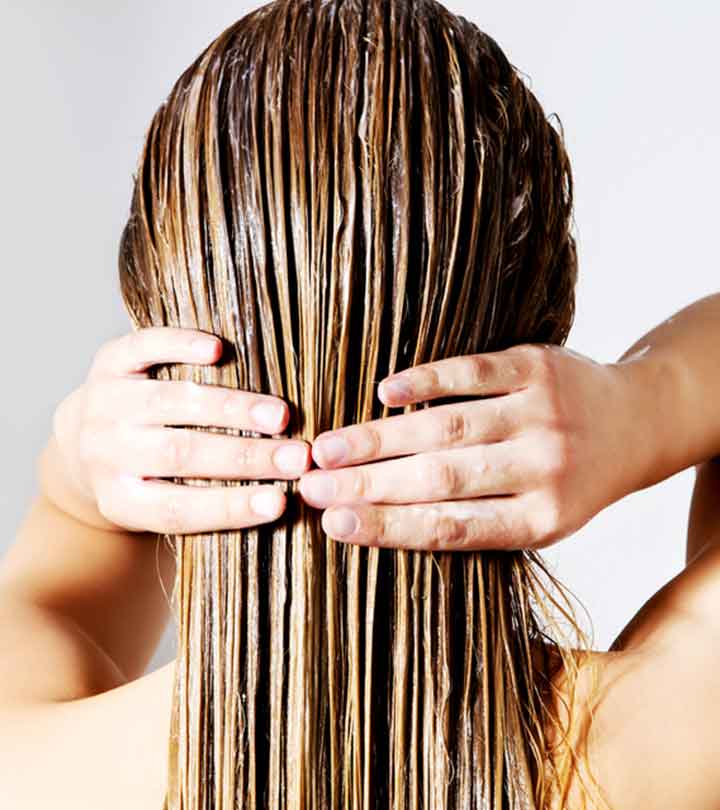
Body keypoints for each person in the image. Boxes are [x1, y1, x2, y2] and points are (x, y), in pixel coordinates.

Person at [1, 1, 719, 808]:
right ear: (538, 351)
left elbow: (49, 600)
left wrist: (76, 475)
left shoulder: (30, 763)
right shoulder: (681, 739)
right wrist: (646, 403)